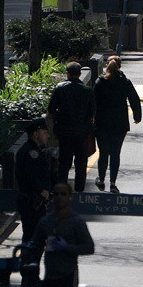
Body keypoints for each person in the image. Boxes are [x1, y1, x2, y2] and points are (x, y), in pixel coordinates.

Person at [92, 56, 142, 193]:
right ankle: (113, 183)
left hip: (102, 123)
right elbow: (134, 99)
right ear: (120, 66)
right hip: (120, 123)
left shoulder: (100, 82)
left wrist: (91, 118)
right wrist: (137, 116)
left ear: (107, 65)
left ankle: (101, 179)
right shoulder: (125, 82)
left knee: (103, 152)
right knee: (115, 153)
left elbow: (93, 101)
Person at [47, 61, 95, 193]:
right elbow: (92, 112)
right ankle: (79, 190)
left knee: (64, 163)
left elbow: (51, 109)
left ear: (67, 73)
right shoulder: (87, 90)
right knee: (81, 164)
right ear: (79, 74)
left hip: (64, 132)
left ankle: (62, 190)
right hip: (81, 132)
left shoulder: (60, 88)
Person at [15, 116, 54, 242]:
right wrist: (41, 190)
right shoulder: (31, 152)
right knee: (32, 236)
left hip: (36, 201)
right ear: (36, 134)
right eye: (45, 133)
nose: (47, 136)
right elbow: (30, 174)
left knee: (37, 236)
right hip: (31, 201)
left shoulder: (36, 150)